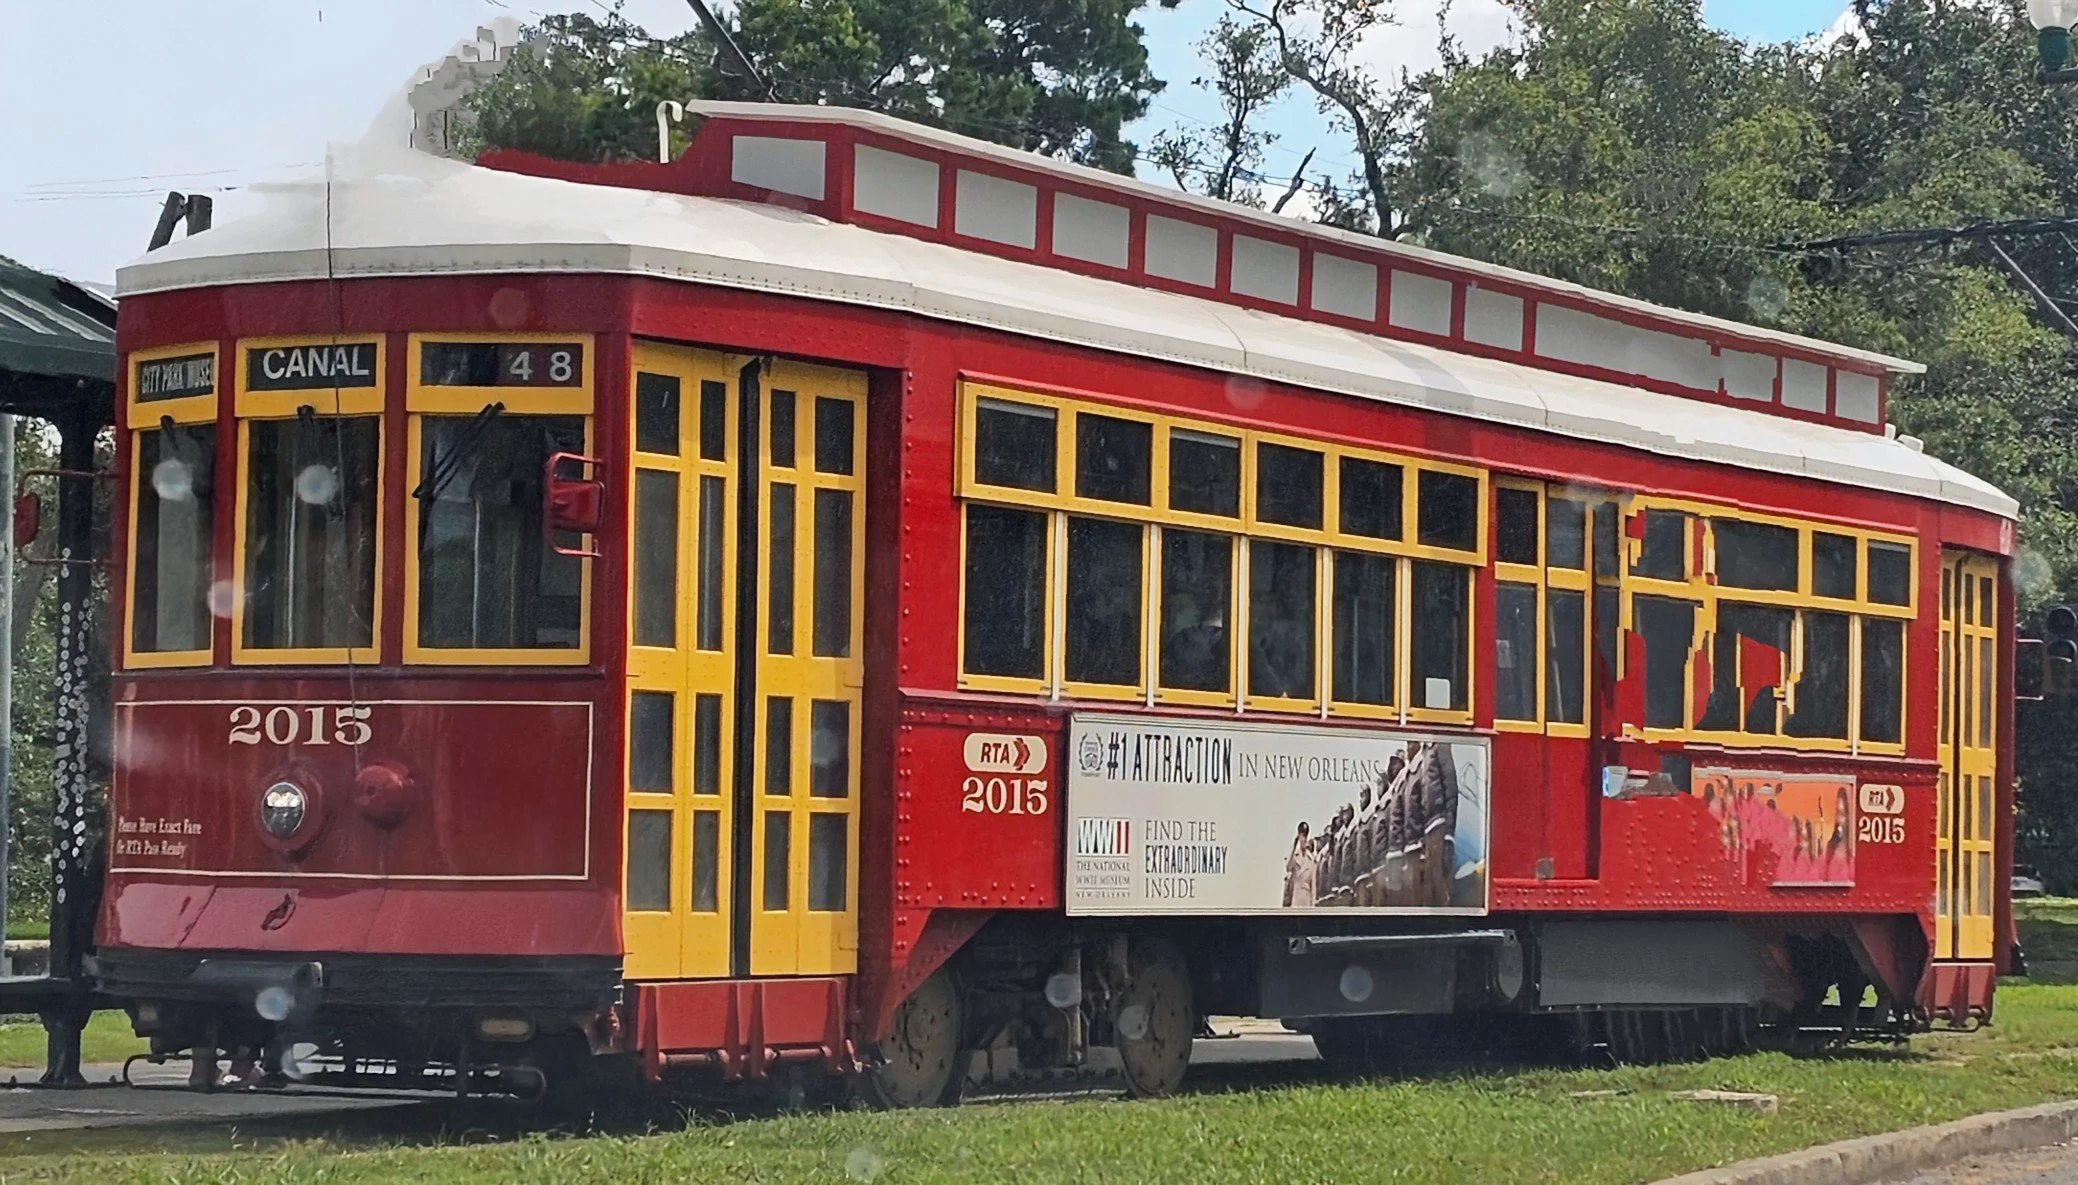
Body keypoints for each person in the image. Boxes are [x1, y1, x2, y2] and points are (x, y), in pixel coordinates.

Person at [1284, 823, 1320, 908]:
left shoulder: (1311, 859)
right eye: (1301, 836)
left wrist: (1313, 904)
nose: (1303, 839)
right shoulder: (1295, 856)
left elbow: (1313, 885)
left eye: (1305, 836)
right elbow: (1288, 867)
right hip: (1295, 897)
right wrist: (1293, 847)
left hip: (1306, 899)